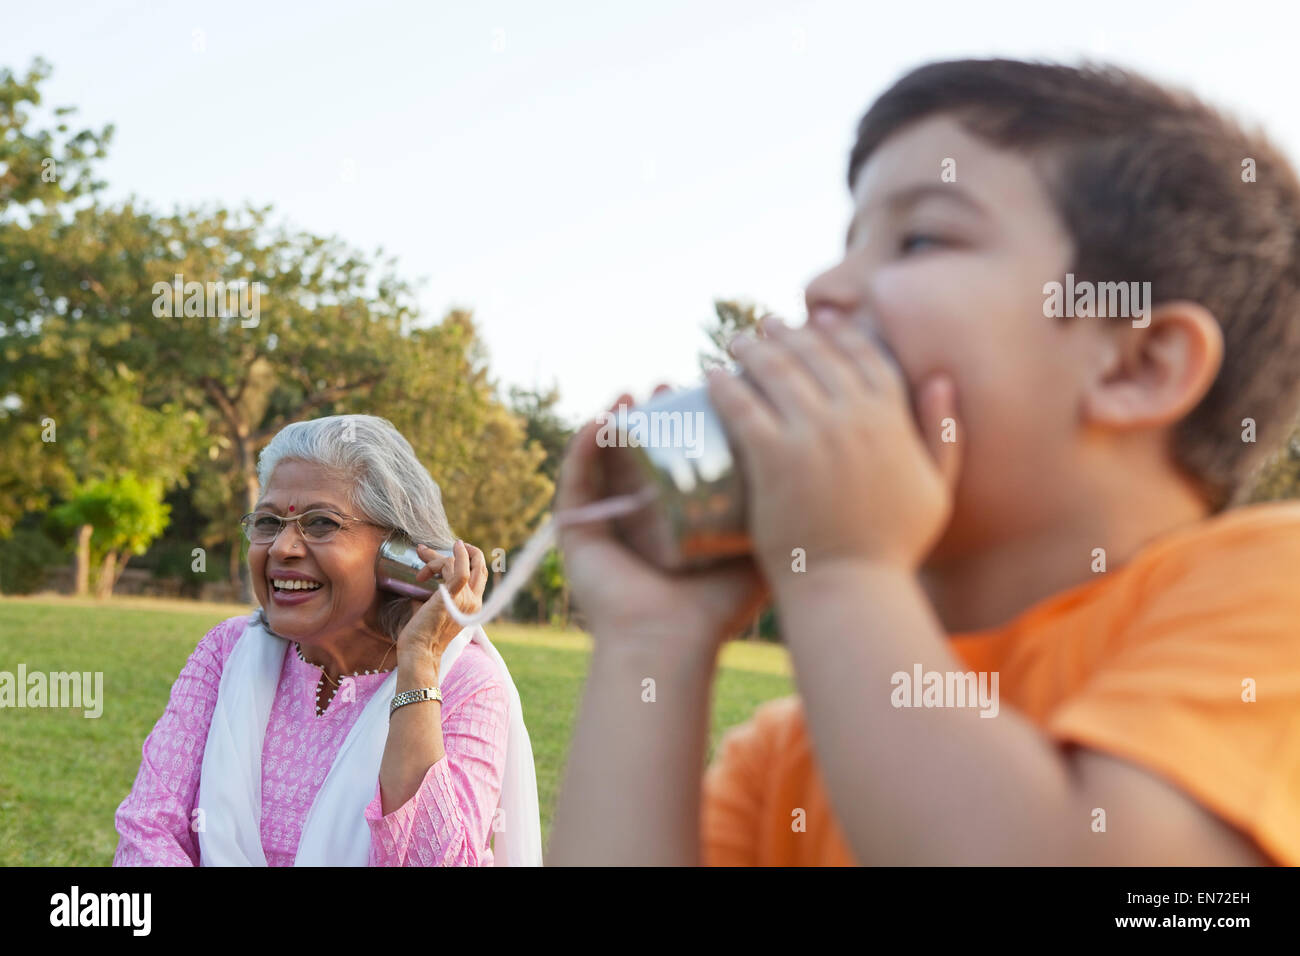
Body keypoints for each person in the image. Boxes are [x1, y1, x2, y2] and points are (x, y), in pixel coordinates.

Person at [547, 59, 1300, 865]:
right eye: (847, 242)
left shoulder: (1273, 588)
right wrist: (652, 643)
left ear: (1136, 365)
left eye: (920, 237)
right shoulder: (793, 754)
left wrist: (844, 572)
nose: (824, 285)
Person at [113, 413, 542, 866]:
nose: (282, 547)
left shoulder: (466, 683)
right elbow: (150, 830)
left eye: (320, 524)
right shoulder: (226, 652)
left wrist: (419, 663)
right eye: (267, 523)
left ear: (399, 553)